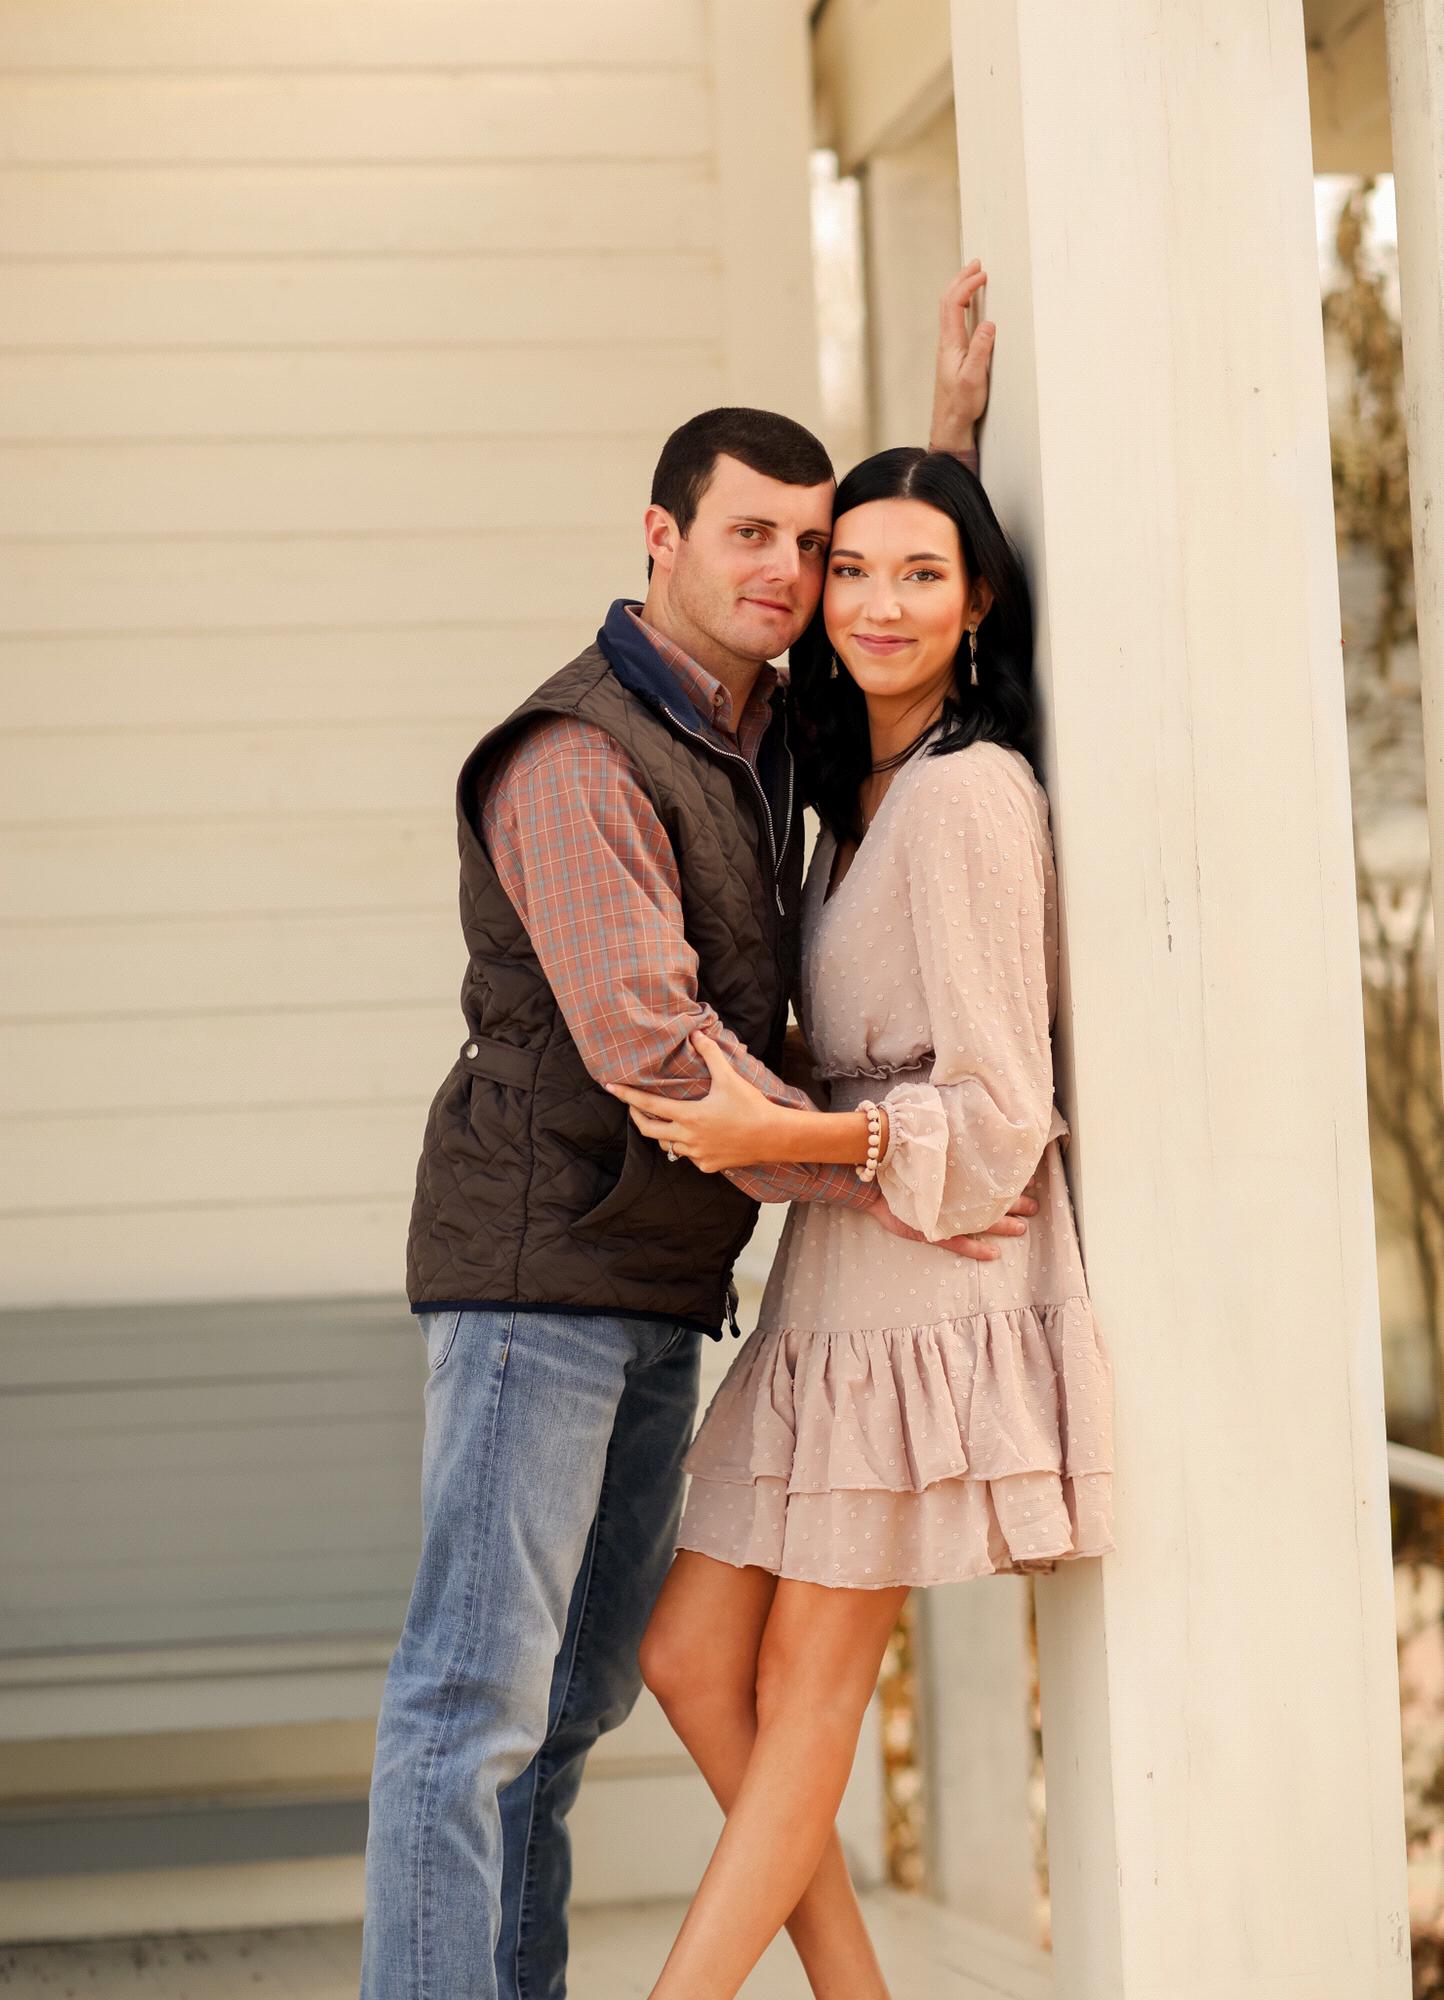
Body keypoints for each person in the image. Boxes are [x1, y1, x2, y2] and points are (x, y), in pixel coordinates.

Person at [359, 270, 1040, 2000]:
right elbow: (667, 1069)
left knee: (567, 1709)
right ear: (659, 537)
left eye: (811, 547)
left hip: (662, 1286)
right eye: (754, 537)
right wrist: (897, 1159)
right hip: (540, 1277)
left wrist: (947, 452)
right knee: (472, 1707)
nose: (793, 576)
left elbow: (907, 615)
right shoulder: (580, 759)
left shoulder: (759, 734)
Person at [609, 445, 1115, 2000]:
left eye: (924, 574)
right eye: (854, 570)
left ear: (979, 606)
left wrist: (787, 1134)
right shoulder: (858, 790)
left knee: (809, 1683)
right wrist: (949, 431)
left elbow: (1002, 1107)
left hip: (925, 1265)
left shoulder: (967, 796)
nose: (880, 602)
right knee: (692, 1657)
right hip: (839, 1266)